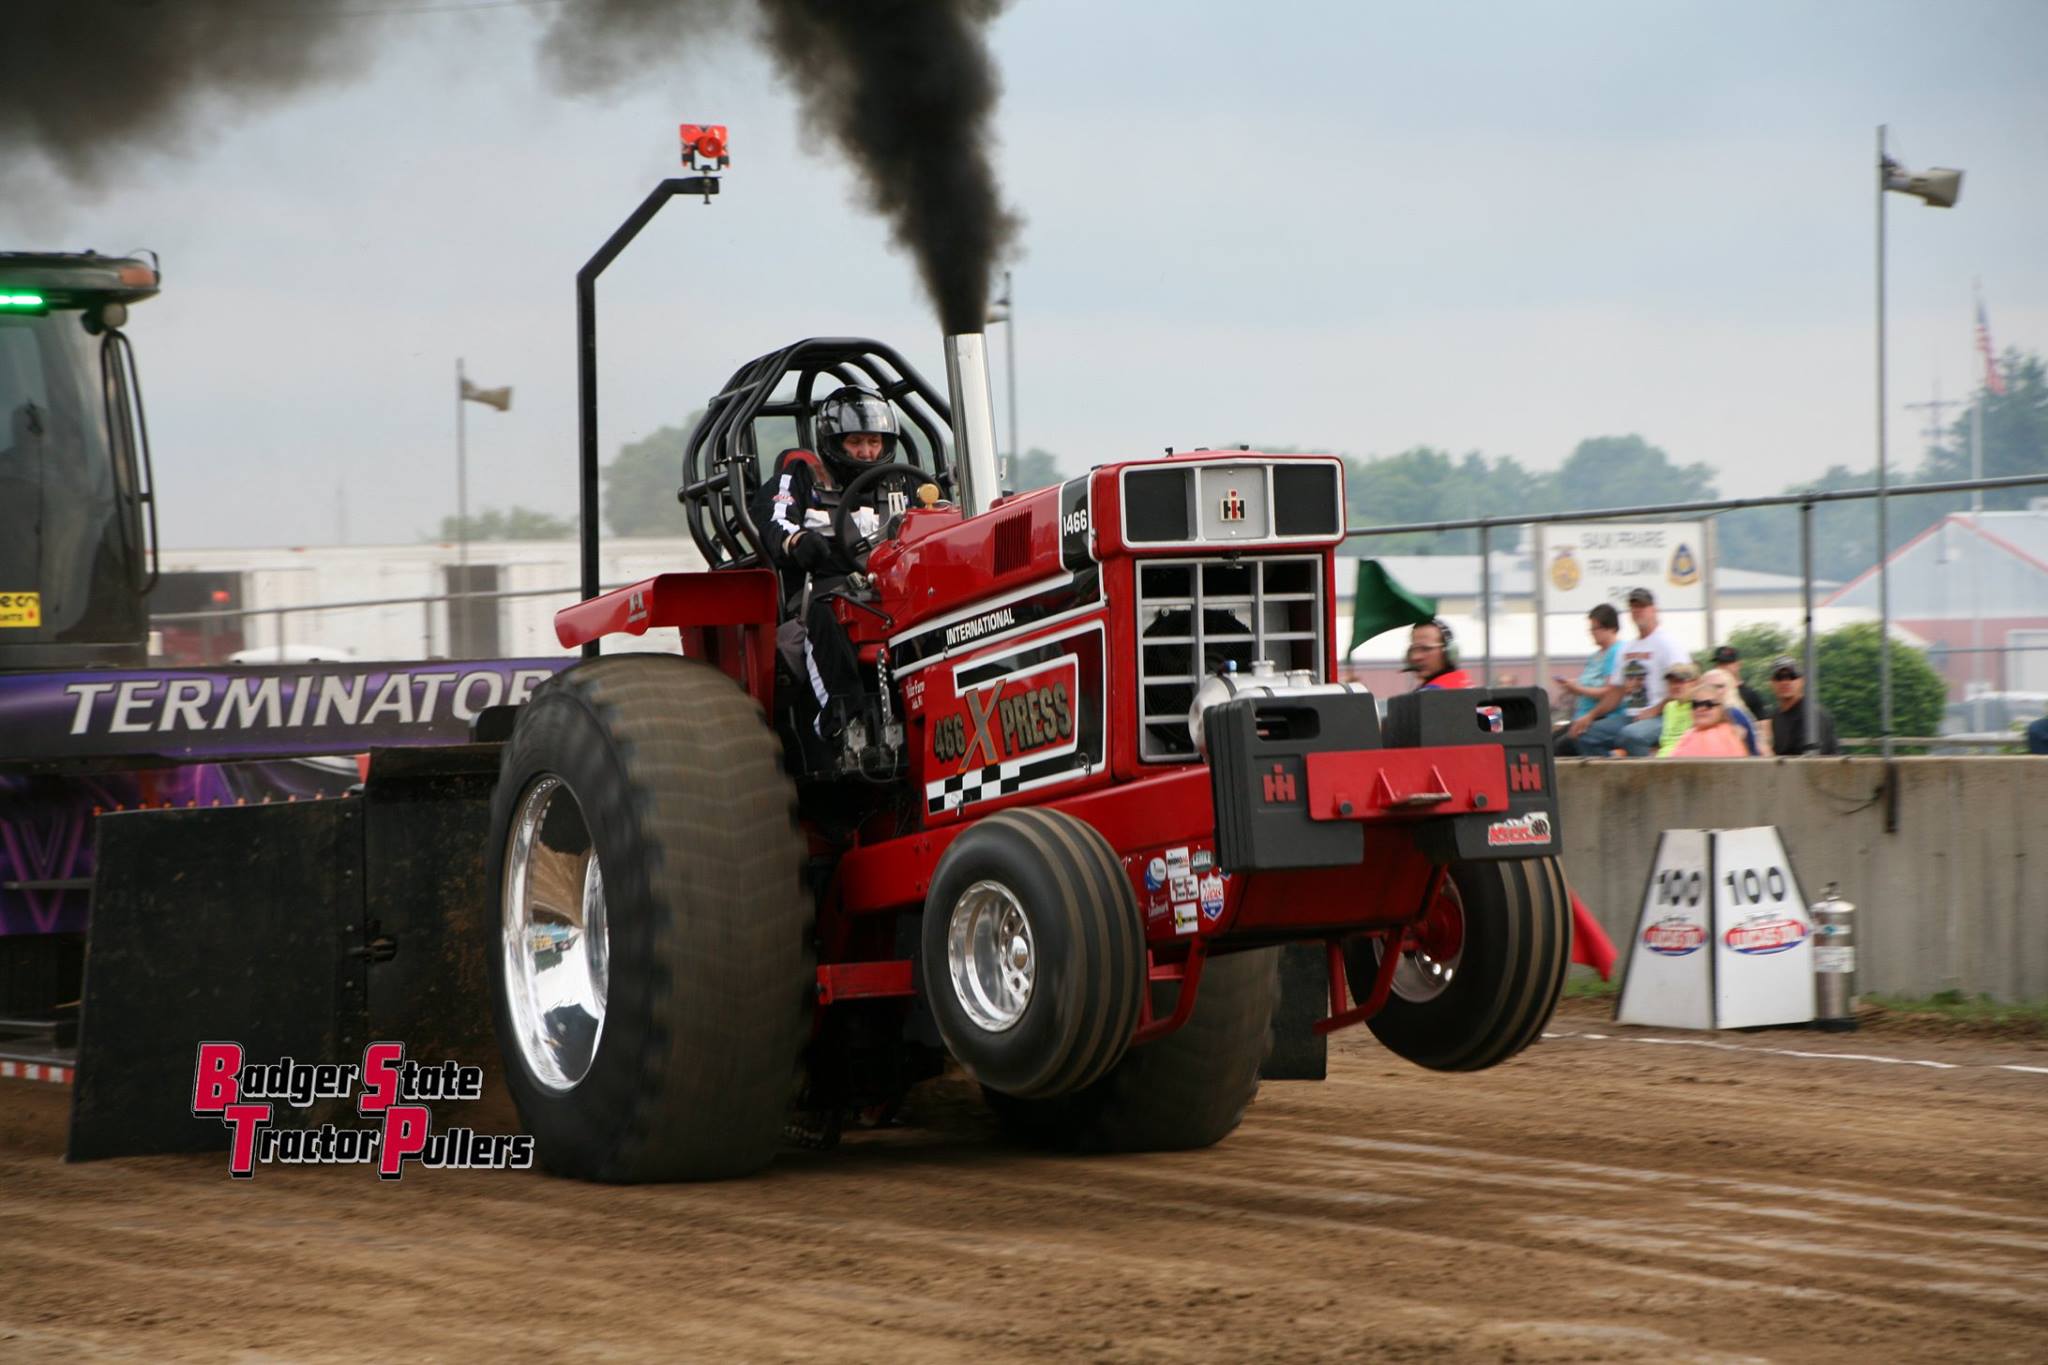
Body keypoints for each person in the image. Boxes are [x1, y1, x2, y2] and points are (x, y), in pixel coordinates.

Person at [754, 384, 902, 739]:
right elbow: (775, 519)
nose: (867, 453)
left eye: (874, 442)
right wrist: (798, 541)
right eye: (856, 443)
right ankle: (842, 725)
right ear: (834, 443)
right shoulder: (800, 478)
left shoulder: (900, 483)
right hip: (817, 597)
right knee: (830, 612)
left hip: (894, 593)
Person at [1574, 587, 1692, 757]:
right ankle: (1613, 779)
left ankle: (1652, 778)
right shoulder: (1627, 648)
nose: (1637, 611)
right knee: (1585, 734)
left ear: (1654, 610)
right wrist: (1589, 716)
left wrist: (1656, 709)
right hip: (1631, 716)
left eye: (1642, 606)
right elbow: (1616, 692)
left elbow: (1684, 685)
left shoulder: (1668, 643)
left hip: (1664, 716)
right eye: (1633, 607)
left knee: (1631, 736)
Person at [1553, 604, 1622, 756]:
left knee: (1560, 746)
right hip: (1582, 715)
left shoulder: (1617, 652)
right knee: (1550, 740)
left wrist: (1578, 689)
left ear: (1610, 628)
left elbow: (1610, 691)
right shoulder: (1595, 657)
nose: (1592, 633)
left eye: (1595, 629)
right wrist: (1572, 685)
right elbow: (1590, 683)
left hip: (1601, 716)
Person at [1766, 655, 1839, 756]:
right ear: (1771, 683)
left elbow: (1813, 760)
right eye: (1779, 677)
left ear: (1802, 681)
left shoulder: (1813, 715)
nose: (1785, 682)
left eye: (1792, 676)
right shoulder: (1775, 716)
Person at [1666, 673, 1751, 757]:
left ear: (1720, 709)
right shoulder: (1688, 735)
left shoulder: (1728, 735)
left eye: (1708, 704)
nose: (1701, 709)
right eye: (1695, 704)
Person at [1702, 665, 1762, 755]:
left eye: (1720, 686)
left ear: (1729, 689)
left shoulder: (1734, 714)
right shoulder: (1699, 714)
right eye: (1708, 686)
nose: (1714, 690)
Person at [1404, 619, 1474, 690]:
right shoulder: (1463, 683)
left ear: (1449, 652)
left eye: (1426, 649)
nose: (1416, 657)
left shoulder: (1432, 693)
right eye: (1413, 650)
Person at [1711, 644, 1770, 719]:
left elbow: (1763, 725)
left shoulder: (1750, 694)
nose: (1722, 667)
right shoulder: (1711, 694)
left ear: (1738, 664)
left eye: (1726, 663)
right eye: (1719, 664)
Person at [1655, 661, 1699, 755]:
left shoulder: (1701, 706)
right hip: (1661, 760)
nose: (1675, 686)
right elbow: (1666, 742)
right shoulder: (1669, 707)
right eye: (1671, 682)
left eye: (1680, 681)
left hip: (1685, 761)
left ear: (1694, 683)